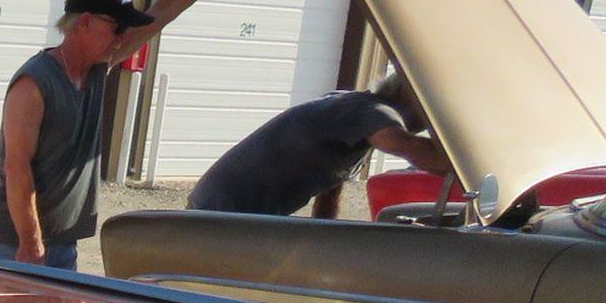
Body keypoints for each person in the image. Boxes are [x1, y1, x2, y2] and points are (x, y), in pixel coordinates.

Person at [0, 0, 251, 269]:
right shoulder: (33, 85)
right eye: (116, 27)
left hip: (59, 242)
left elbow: (164, 11)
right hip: (9, 242)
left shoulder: (95, 68)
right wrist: (30, 244)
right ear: (84, 23)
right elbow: (17, 168)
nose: (123, 37)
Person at [186, 69, 448, 217]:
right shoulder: (373, 112)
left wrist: (325, 233)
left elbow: (329, 187)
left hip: (223, 207)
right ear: (408, 90)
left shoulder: (349, 109)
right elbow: (411, 149)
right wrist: (468, 169)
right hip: (223, 212)